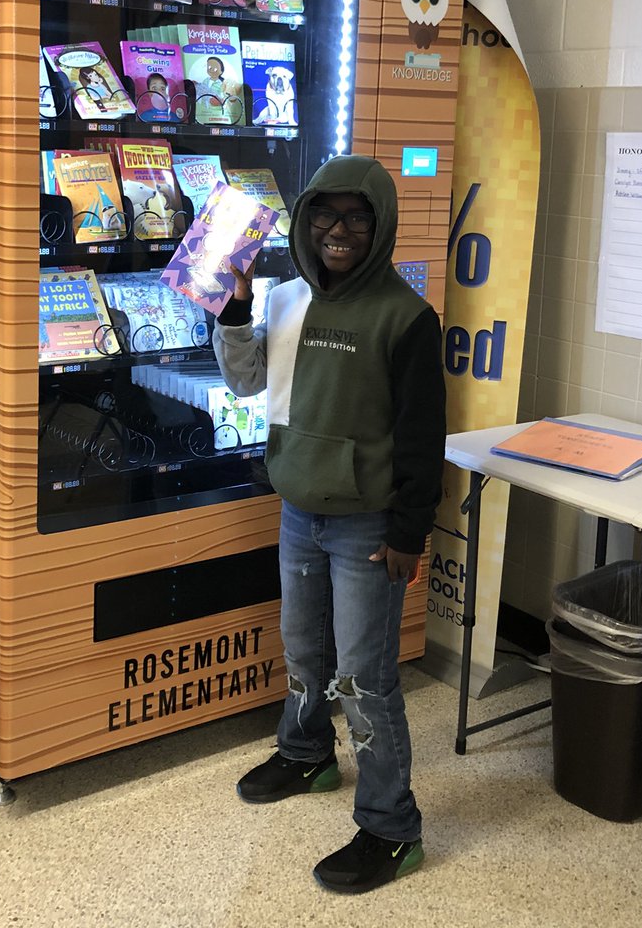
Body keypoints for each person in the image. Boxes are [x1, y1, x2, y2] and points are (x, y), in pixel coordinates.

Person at [212, 153, 446, 895]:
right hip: (298, 511)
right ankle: (307, 753)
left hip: (368, 528)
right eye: (324, 214)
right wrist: (237, 304)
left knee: (366, 680)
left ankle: (390, 828)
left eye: (355, 218)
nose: (337, 231)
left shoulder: (406, 317)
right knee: (305, 651)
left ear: (378, 229)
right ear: (305, 219)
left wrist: (409, 533)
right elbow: (245, 381)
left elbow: (420, 436)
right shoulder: (286, 299)